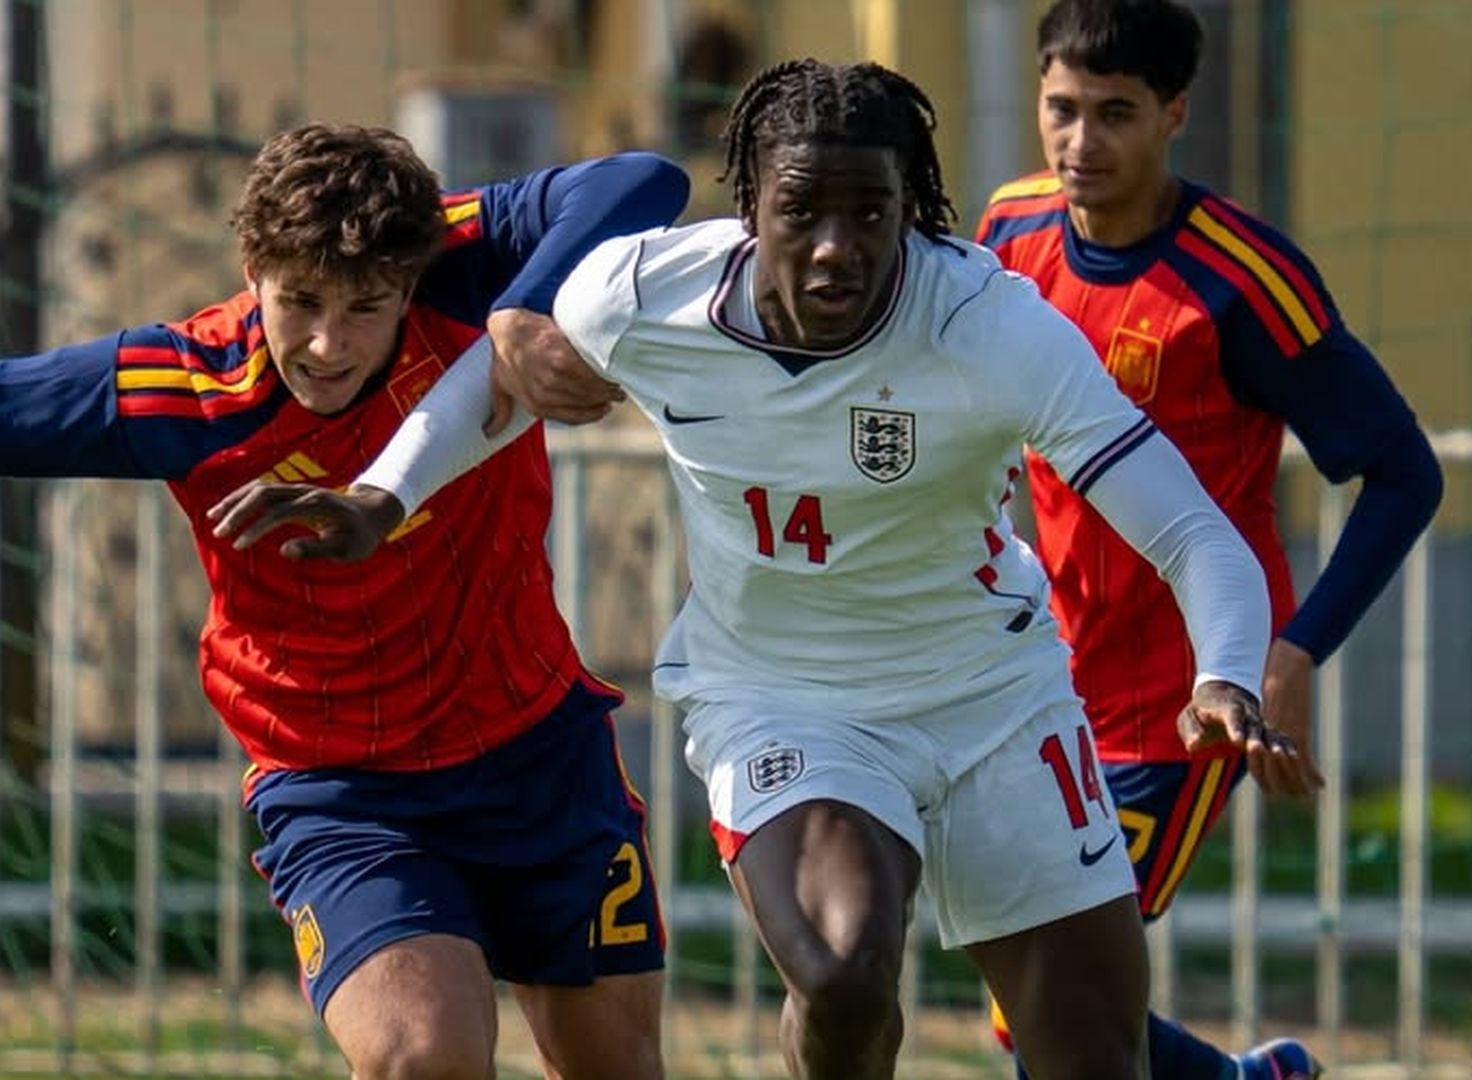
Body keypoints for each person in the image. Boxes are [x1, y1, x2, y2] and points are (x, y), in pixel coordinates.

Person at [210, 60, 1321, 1080]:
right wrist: (380, 497)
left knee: (1093, 1061)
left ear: (909, 213)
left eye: (870, 214)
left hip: (994, 699)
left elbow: (1196, 533)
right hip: (783, 702)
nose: (836, 245)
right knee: (842, 968)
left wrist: (1223, 673)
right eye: (803, 212)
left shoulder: (991, 327)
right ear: (752, 206)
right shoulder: (645, 294)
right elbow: (494, 395)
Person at [0, 123, 690, 1080]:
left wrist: (523, 315)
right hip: (343, 788)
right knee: (421, 1056)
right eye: (299, 301)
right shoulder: (178, 387)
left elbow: (645, 181)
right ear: (252, 269)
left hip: (539, 758)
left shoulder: (462, 266)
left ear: (409, 278)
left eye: (364, 307)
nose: (328, 343)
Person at [974, 2, 1444, 1075]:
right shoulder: (1009, 232)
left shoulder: (1242, 284)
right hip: (1036, 682)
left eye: (1115, 115)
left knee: (1060, 996)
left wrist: (1291, 651)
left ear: (1176, 113)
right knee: (1029, 1002)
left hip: (1185, 709)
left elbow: (1403, 472)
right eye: (1061, 109)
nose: (1079, 143)